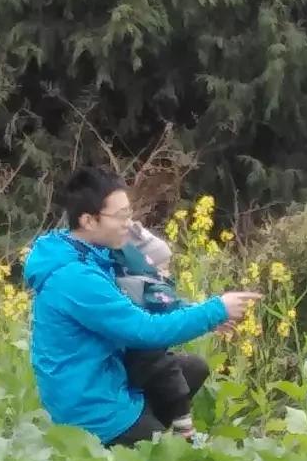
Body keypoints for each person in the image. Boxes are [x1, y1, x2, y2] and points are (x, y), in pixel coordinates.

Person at [23, 168, 260, 446]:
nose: (128, 223)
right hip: (92, 410)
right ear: (88, 220)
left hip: (109, 377)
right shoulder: (75, 278)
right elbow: (144, 330)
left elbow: (143, 299)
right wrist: (215, 309)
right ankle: (142, 441)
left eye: (128, 214)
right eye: (120, 216)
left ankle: (158, 432)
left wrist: (196, 311)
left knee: (191, 369)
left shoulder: (90, 253)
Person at [110, 220, 204, 440]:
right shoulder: (139, 285)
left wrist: (202, 313)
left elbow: (173, 305)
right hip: (133, 362)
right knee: (165, 367)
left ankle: (157, 421)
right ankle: (182, 426)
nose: (166, 272)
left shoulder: (138, 283)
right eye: (163, 267)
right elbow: (167, 309)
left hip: (138, 362)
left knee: (193, 366)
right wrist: (207, 314)